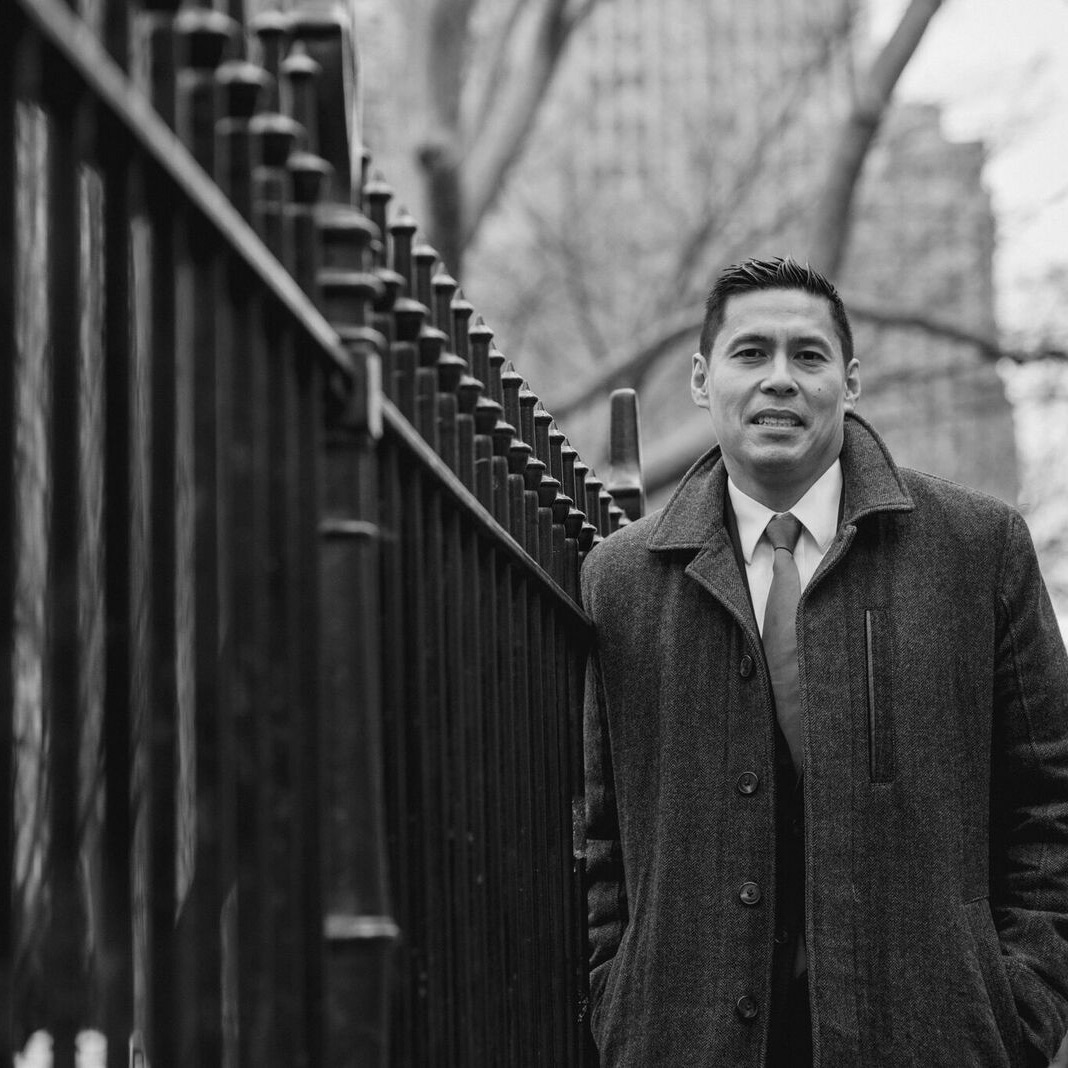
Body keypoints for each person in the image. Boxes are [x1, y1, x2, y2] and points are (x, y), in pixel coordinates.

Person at [581, 256, 1068, 1067]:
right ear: (703, 379)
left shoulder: (976, 547)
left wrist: (1016, 1011)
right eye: (750, 354)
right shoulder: (623, 579)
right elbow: (599, 838)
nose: (779, 380)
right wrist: (618, 998)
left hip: (936, 1040)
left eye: (808, 356)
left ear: (850, 381)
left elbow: (1051, 802)